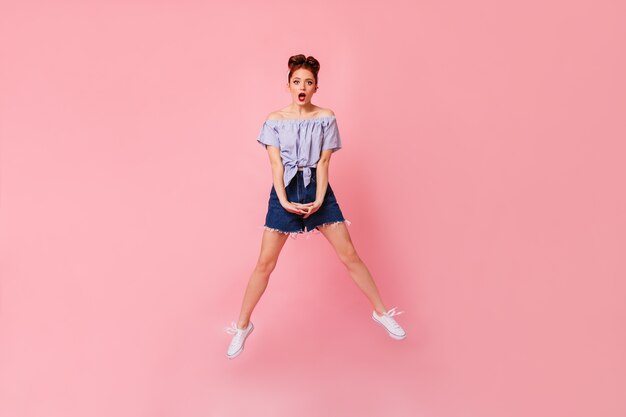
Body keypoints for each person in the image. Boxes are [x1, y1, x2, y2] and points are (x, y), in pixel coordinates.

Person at [225, 54, 406, 359]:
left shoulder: (325, 117)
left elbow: (323, 162)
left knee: (349, 255)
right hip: (285, 189)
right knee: (265, 264)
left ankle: (381, 312)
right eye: (297, 81)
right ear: (288, 85)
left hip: (317, 187)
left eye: (308, 82)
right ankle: (242, 326)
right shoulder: (274, 119)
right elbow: (275, 165)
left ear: (316, 87)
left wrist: (320, 198)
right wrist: (282, 200)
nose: (303, 86)